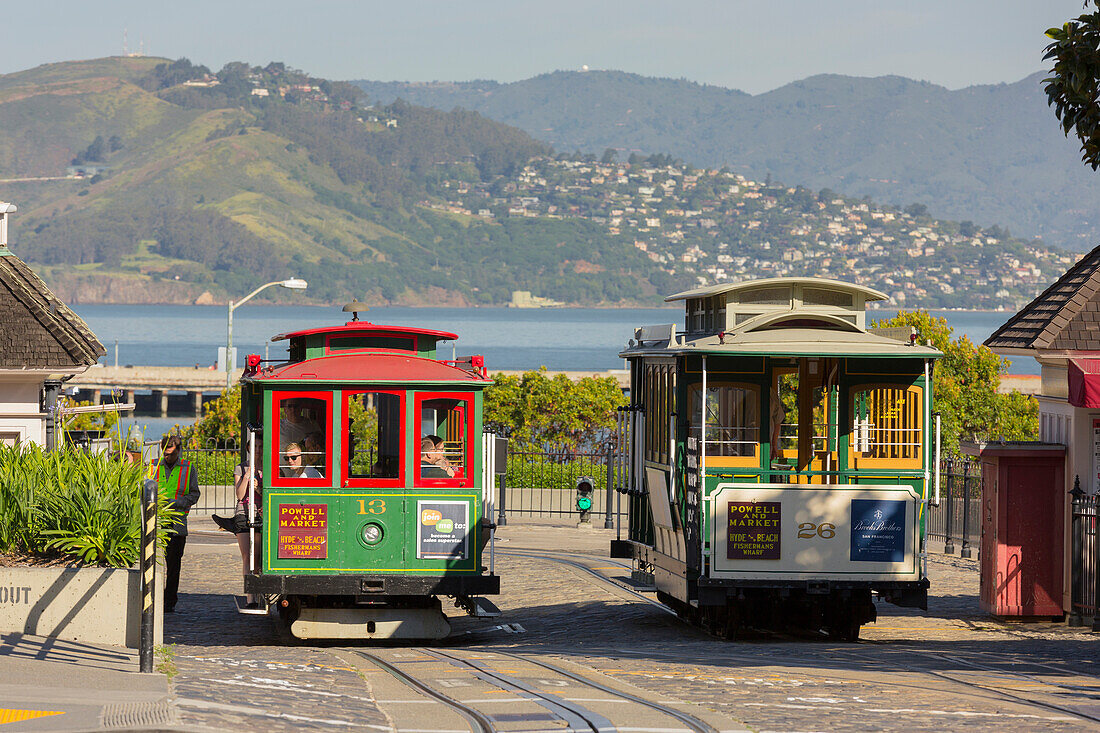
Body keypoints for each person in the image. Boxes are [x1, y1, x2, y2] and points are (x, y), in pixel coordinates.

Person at [150, 434, 200, 613]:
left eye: (170, 454)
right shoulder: (153, 466)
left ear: (178, 451)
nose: (167, 457)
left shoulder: (188, 468)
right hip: (155, 520)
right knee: (151, 561)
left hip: (177, 521)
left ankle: (169, 600)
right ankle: (151, 597)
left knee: (173, 564)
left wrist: (174, 503)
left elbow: (194, 494)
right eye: (165, 454)